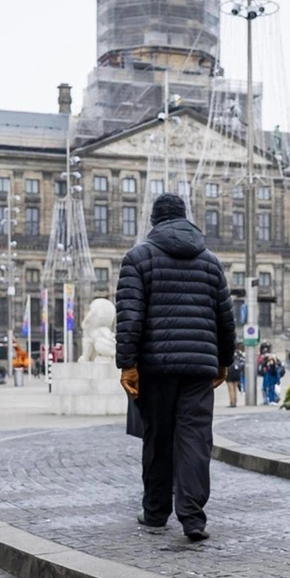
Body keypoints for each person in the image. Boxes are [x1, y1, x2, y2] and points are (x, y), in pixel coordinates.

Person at [117, 193, 235, 543]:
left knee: (158, 438)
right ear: (186, 219)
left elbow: (130, 318)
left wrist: (128, 364)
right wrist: (223, 361)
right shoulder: (211, 263)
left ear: (154, 221)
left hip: (156, 367)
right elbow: (225, 319)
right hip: (199, 367)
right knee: (195, 441)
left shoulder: (138, 258)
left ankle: (155, 512)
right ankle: (193, 518)